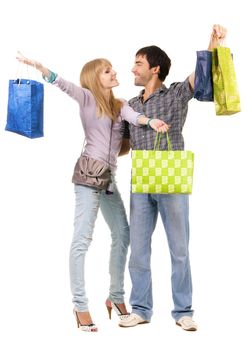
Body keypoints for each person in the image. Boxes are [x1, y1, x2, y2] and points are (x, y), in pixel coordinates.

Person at [16, 52, 169, 332]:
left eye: (112, 69)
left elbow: (135, 117)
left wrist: (151, 122)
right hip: (88, 177)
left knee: (123, 234)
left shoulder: (120, 105)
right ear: (94, 79)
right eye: (107, 71)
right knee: (82, 240)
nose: (114, 73)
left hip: (109, 180)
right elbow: (61, 83)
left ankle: (115, 296)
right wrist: (40, 67)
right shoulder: (87, 98)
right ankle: (80, 305)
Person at [119, 24, 227, 331]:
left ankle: (183, 311)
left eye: (138, 63)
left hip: (172, 180)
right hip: (140, 181)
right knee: (139, 250)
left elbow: (199, 75)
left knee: (179, 249)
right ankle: (140, 309)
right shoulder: (132, 106)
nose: (133, 68)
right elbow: (124, 146)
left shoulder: (177, 93)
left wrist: (213, 42)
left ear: (155, 69)